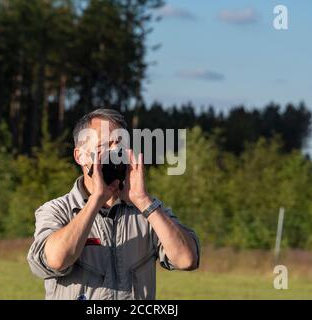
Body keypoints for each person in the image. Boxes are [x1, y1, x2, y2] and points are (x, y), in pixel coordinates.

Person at [27, 108, 200, 300]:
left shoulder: (148, 210)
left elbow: (187, 259)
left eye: (120, 145)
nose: (114, 152)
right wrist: (95, 201)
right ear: (80, 156)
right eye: (104, 145)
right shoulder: (57, 210)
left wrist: (143, 201)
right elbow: (57, 260)